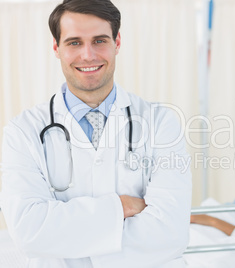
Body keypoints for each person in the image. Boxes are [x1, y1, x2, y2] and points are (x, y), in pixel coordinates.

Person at [1, 0, 192, 267]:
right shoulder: (22, 132)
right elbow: (29, 233)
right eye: (74, 42)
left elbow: (171, 233)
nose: (88, 55)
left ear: (118, 43)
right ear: (56, 47)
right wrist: (122, 207)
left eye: (100, 40)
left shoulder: (161, 122)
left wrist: (70, 238)